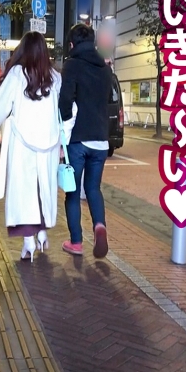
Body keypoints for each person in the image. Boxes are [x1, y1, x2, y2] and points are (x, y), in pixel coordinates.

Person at [0, 32, 61, 262]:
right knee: (43, 189)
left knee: (24, 191)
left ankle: (28, 241)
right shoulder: (55, 77)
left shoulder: (17, 74)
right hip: (49, 145)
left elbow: (0, 107)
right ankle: (42, 233)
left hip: (23, 144)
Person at [58, 23, 112, 258]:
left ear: (72, 44)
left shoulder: (72, 65)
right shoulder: (105, 69)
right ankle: (99, 225)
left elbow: (65, 102)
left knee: (72, 191)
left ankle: (76, 242)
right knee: (93, 188)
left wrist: (62, 128)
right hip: (101, 140)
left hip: (78, 140)